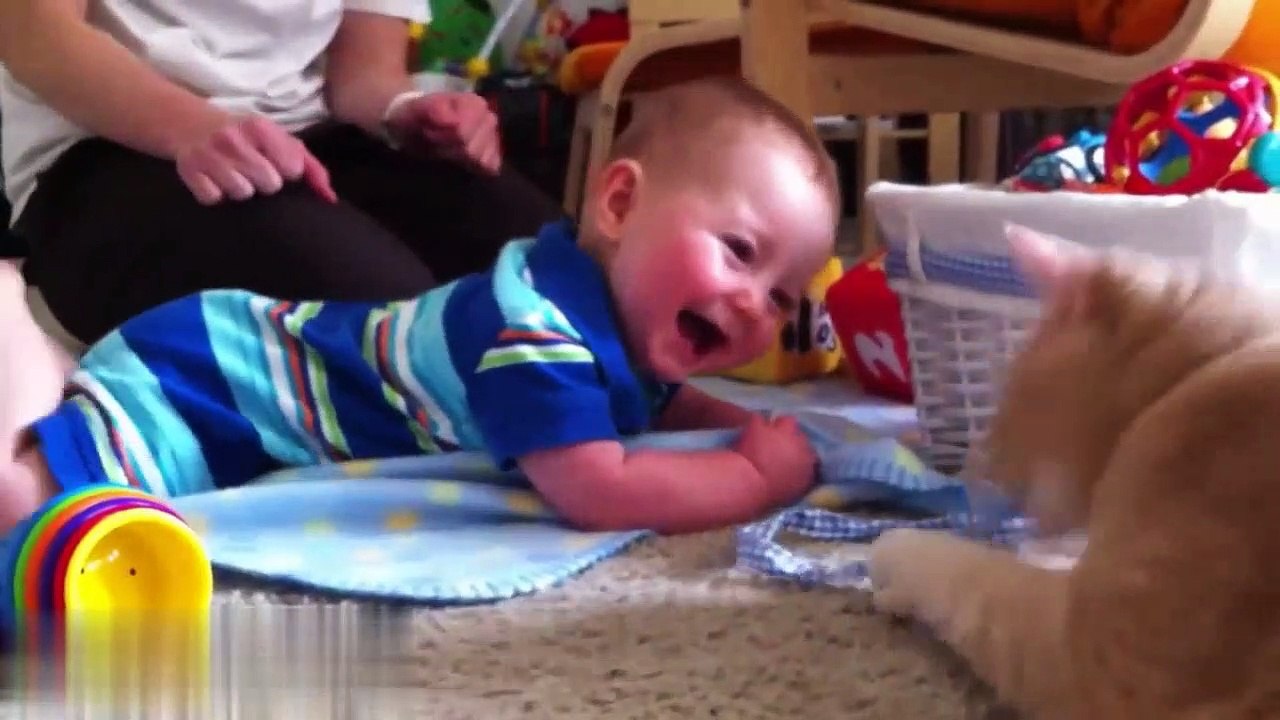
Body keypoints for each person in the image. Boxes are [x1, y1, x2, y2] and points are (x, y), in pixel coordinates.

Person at [0, 76, 841, 536]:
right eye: (737, 252)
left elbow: (654, 402)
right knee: (39, 500)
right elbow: (597, 488)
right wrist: (748, 473)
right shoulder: (534, 333)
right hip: (225, 378)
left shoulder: (614, 309)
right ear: (617, 204)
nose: (751, 306)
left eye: (779, 295)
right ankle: (23, 360)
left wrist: (731, 419)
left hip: (259, 334)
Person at [0, 0, 564, 346]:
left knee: (562, 276)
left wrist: (407, 111)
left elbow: (364, 80)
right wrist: (193, 128)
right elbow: (34, 35)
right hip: (104, 147)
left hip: (304, 134)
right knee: (391, 336)